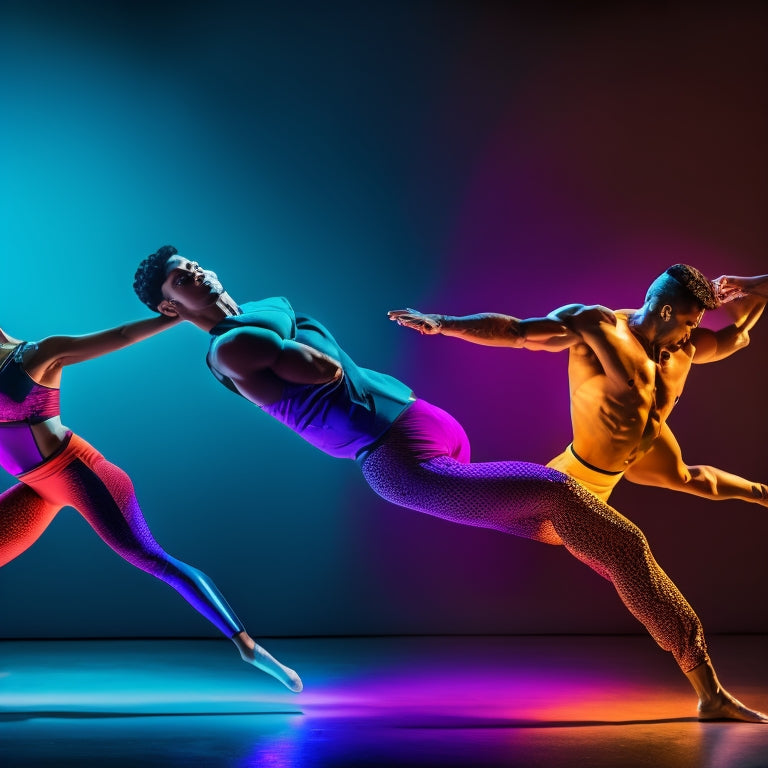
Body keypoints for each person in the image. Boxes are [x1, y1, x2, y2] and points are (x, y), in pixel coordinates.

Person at [132, 246, 767, 722]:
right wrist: (284, 330)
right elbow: (324, 368)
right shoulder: (229, 349)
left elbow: (305, 352)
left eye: (194, 264)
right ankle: (708, 686)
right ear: (170, 307)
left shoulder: (262, 312)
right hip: (405, 465)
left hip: (425, 432)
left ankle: (693, 666)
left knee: (586, 533)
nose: (197, 273)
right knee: (589, 520)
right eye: (180, 280)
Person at [0, 312, 301, 692]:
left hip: (83, 476)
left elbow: (122, 334)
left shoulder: (38, 355)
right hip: (36, 489)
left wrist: (174, 317)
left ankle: (249, 647)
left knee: (153, 559)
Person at [389, 266, 767, 506]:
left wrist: (749, 284)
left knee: (687, 477)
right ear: (666, 311)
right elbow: (518, 332)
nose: (693, 331)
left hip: (640, 456)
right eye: (690, 321)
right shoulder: (599, 328)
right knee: (551, 531)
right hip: (579, 476)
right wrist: (443, 322)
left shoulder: (684, 348)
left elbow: (740, 331)